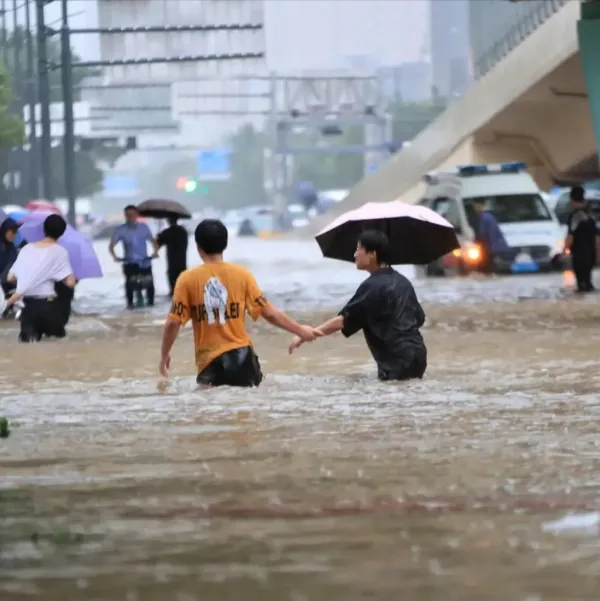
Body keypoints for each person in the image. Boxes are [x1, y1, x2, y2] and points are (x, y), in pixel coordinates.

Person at [159, 219, 320, 386]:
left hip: (211, 363)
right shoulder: (242, 275)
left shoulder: (187, 279)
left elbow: (173, 322)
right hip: (244, 359)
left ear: (198, 247)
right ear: (225, 245)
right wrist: (301, 330)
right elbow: (270, 313)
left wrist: (164, 354)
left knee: (209, 409)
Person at [289, 229, 427, 382]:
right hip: (418, 354)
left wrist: (309, 333)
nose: (354, 254)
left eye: (359, 249)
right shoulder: (403, 282)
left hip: (396, 358)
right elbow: (419, 318)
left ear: (373, 254)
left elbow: (344, 320)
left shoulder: (372, 286)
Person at [5, 215, 76, 342]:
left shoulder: (26, 249)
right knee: (58, 344)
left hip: (27, 308)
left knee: (28, 346)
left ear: (44, 229)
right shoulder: (60, 251)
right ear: (62, 232)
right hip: (47, 306)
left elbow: (10, 278)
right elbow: (70, 283)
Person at [109, 205, 158, 309]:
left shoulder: (144, 227)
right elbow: (112, 245)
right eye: (128, 215)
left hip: (144, 261)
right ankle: (130, 304)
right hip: (129, 262)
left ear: (137, 215)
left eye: (132, 214)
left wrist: (155, 252)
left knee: (150, 284)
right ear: (125, 216)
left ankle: (151, 303)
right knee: (129, 285)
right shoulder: (120, 230)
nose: (130, 217)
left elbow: (153, 241)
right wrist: (115, 257)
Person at [565, 185, 599, 293]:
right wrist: (598, 255)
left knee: (581, 285)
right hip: (590, 255)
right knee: (588, 283)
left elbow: (570, 237)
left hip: (579, 256)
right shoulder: (591, 215)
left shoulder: (574, 216)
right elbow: (597, 237)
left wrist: (564, 252)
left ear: (571, 200)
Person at [472, 198, 509, 274]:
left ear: (480, 206)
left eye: (476, 206)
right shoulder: (489, 216)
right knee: (490, 266)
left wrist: (479, 243)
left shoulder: (484, 217)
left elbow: (485, 233)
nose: (475, 208)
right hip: (494, 246)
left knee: (487, 266)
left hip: (490, 247)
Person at [156, 216, 188, 296]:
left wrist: (158, 235)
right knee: (182, 276)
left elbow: (158, 243)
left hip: (172, 259)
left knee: (172, 277)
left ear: (168, 221)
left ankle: (173, 292)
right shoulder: (183, 231)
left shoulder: (167, 232)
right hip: (182, 259)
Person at [0, 218, 19, 300]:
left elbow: (10, 266)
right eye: (12, 232)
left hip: (5, 286)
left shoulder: (12, 249)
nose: (13, 235)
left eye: (15, 233)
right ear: (5, 230)